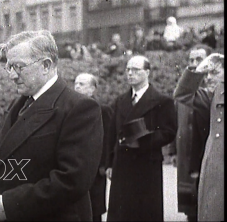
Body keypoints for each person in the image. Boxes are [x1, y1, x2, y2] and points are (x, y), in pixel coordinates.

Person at [0, 30, 104, 221]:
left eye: (18, 67)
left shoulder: (80, 108)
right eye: (9, 66)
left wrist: (9, 205)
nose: (12, 75)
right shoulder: (17, 104)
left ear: (46, 65)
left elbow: (73, 180)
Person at [105, 55, 177, 221]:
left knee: (144, 211)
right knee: (122, 212)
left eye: (135, 70)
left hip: (147, 164)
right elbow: (111, 134)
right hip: (122, 164)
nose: (130, 73)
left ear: (147, 72)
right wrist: (109, 163)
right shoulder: (120, 101)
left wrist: (142, 139)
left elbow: (169, 131)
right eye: (128, 70)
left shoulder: (161, 101)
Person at [174, 53, 224, 221]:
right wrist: (199, 69)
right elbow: (181, 94)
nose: (208, 78)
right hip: (208, 166)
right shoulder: (205, 96)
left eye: (214, 73)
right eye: (206, 74)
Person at [170, 44, 212, 221]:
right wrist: (173, 150)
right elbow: (175, 122)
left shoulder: (212, 90)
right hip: (186, 150)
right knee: (191, 206)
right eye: (191, 60)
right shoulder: (185, 90)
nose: (194, 64)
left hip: (205, 150)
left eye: (199, 59)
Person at [74, 73, 113, 222]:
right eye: (76, 83)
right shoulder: (69, 108)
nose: (77, 86)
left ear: (92, 89)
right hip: (74, 165)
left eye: (82, 84)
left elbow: (108, 138)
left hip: (95, 168)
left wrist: (104, 164)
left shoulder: (102, 110)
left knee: (94, 208)